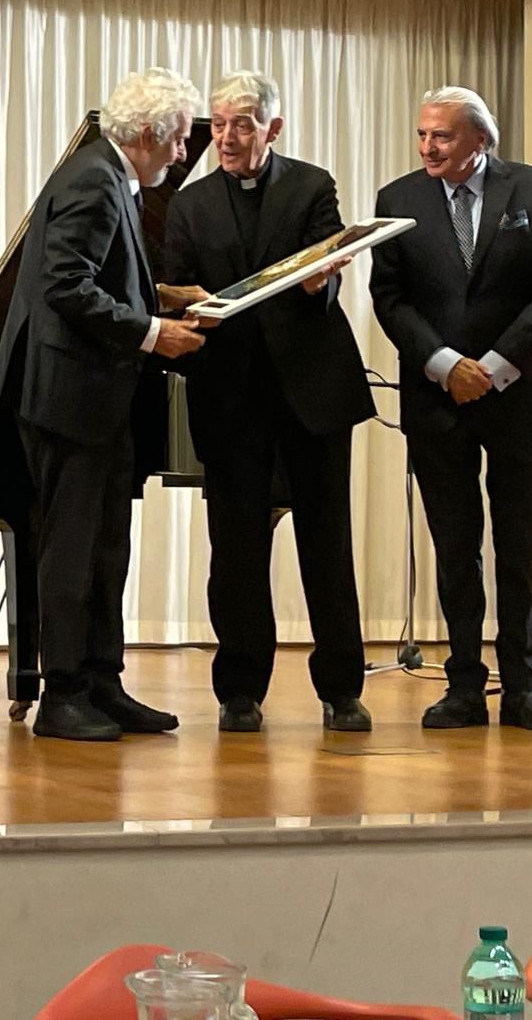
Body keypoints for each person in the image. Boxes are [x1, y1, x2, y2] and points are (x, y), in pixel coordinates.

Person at [0, 67, 208, 741]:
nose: (180, 156)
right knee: (74, 550)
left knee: (107, 547)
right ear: (145, 134)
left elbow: (98, 275)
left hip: (95, 401)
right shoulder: (94, 180)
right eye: (176, 141)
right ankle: (63, 695)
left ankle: (102, 682)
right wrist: (151, 332)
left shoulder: (107, 176)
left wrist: (166, 298)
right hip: (69, 400)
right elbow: (64, 285)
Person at [165, 72, 376, 734]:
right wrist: (188, 303)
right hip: (229, 396)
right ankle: (239, 691)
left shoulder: (312, 186)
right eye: (220, 124)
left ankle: (342, 689)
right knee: (236, 550)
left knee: (326, 541)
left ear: (273, 129)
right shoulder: (189, 203)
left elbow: (330, 266)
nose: (227, 137)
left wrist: (321, 282)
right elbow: (171, 285)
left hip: (312, 390)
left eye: (243, 124)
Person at [369, 86, 532, 733]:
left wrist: (493, 366)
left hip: (515, 396)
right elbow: (389, 297)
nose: (429, 146)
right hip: (437, 401)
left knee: (519, 545)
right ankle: (463, 683)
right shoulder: (397, 200)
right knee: (456, 546)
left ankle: (523, 685)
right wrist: (443, 365)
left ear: (480, 140)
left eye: (443, 136)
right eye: (423, 134)